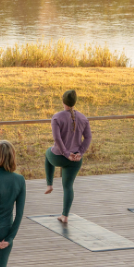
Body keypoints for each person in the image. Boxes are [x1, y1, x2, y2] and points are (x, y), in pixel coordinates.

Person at [43, 89, 91, 223]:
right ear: (74, 102)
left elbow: (57, 139)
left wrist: (65, 153)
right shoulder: (83, 118)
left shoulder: (57, 117)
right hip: (76, 160)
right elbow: (88, 137)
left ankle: (49, 185)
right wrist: (79, 153)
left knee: (47, 153)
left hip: (59, 157)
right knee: (68, 186)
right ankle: (65, 216)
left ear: (63, 101)